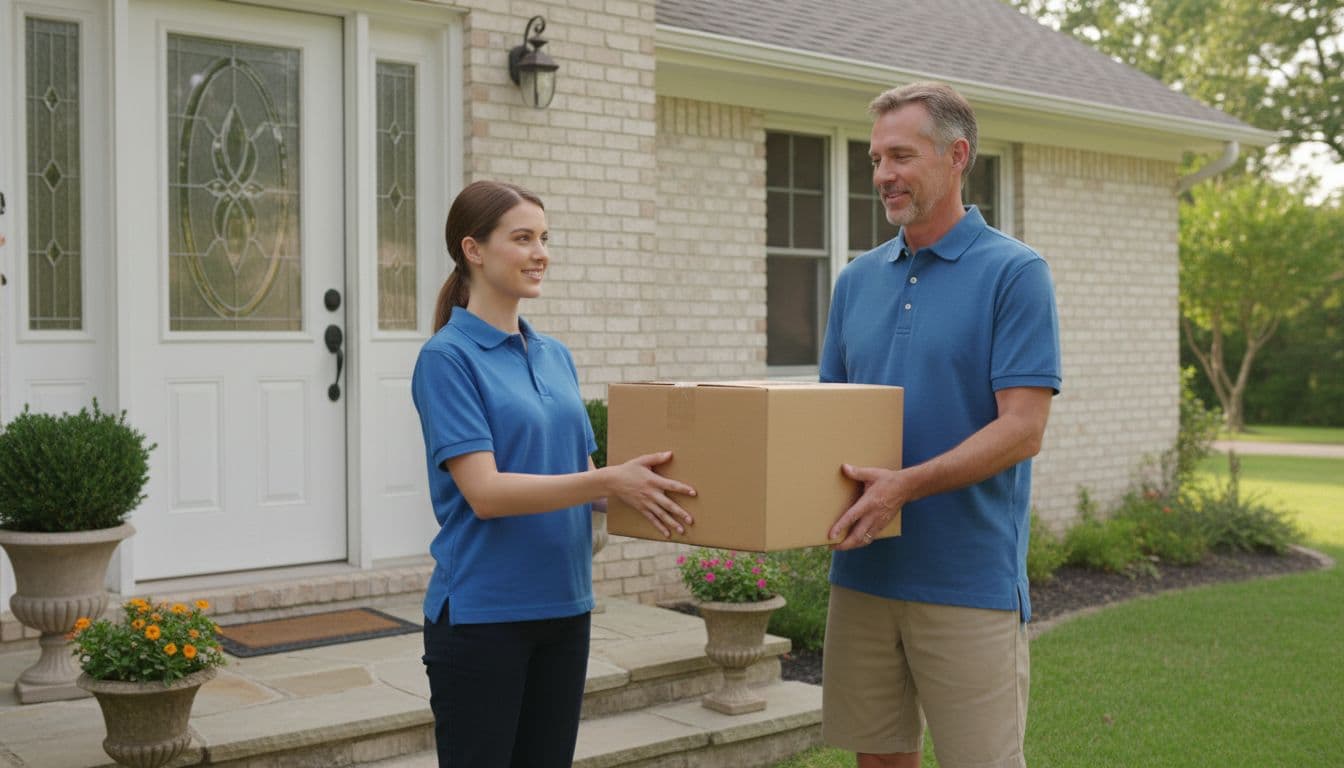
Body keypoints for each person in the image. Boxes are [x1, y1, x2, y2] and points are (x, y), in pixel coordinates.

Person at [411, 180, 696, 767]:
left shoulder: (554, 355)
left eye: (544, 237)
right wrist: (608, 483)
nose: (541, 252)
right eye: (522, 238)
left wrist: (669, 485)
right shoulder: (447, 359)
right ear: (473, 249)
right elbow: (485, 493)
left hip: (565, 607)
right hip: (484, 617)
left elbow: (583, 475)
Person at [819, 82, 1062, 768]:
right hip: (865, 575)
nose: (882, 175)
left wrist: (903, 487)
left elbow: (1023, 429)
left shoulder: (1015, 274)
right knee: (879, 760)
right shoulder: (857, 281)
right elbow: (828, 420)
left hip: (967, 579)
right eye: (874, 159)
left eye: (900, 155)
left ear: (957, 156)